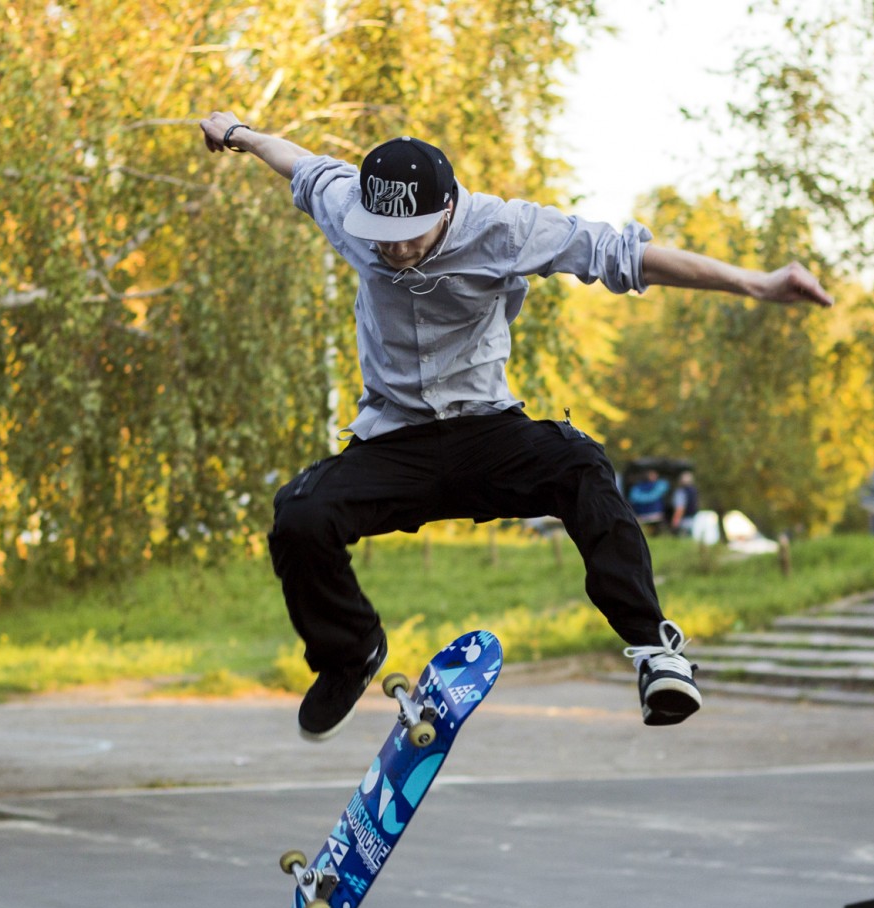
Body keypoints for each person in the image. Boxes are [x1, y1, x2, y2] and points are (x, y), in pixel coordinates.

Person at [197, 112, 834, 741]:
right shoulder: (349, 212)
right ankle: (349, 652)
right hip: (393, 442)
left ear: (447, 208)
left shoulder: (505, 229)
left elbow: (625, 257)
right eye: (383, 236)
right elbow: (299, 164)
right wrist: (237, 134)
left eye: (410, 236)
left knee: (581, 465)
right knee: (300, 515)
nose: (394, 250)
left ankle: (654, 650)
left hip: (486, 435)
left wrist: (757, 284)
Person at [669, 470, 700, 536]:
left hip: (684, 521)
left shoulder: (681, 492)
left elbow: (680, 508)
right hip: (695, 520)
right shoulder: (695, 491)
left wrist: (675, 522)